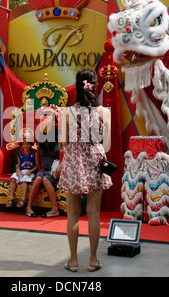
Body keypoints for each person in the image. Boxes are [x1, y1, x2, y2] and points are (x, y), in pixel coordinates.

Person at [58, 68, 112, 272]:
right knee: (94, 214)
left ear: (77, 85)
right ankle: (93, 260)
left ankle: (72, 260)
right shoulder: (103, 112)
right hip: (95, 159)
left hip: (73, 159)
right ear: (95, 85)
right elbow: (106, 143)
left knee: (72, 213)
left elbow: (64, 142)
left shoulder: (67, 111)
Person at [25, 113, 61, 218]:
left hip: (53, 169)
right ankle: (28, 207)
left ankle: (55, 209)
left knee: (46, 179)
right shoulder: (41, 139)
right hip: (42, 168)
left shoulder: (59, 140)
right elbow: (37, 154)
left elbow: (62, 155)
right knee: (38, 179)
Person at [6, 137, 37, 210]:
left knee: (24, 180)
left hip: (30, 171)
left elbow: (37, 166)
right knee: (13, 178)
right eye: (24, 144)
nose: (26, 146)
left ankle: (23, 199)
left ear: (31, 145)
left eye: (27, 144)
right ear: (21, 145)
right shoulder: (20, 154)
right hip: (22, 170)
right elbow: (19, 165)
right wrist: (17, 170)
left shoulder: (34, 153)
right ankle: (12, 198)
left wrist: (30, 171)